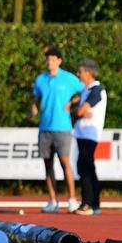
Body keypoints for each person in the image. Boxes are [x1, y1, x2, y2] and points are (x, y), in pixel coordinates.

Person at [30, 46, 84, 213]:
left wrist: (73, 102)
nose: (49, 62)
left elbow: (84, 91)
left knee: (65, 162)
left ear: (59, 61)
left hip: (63, 128)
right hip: (44, 127)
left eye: (52, 59)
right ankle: (53, 201)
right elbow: (36, 97)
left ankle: (72, 200)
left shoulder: (68, 78)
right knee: (47, 165)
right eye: (47, 59)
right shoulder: (40, 79)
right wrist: (33, 108)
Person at [72, 59, 107, 216]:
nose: (78, 74)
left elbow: (79, 112)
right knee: (86, 167)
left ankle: (88, 203)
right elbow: (79, 111)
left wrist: (77, 111)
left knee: (85, 167)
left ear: (88, 72)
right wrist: (78, 110)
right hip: (82, 134)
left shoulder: (96, 90)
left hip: (90, 135)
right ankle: (94, 204)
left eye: (80, 71)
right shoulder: (85, 90)